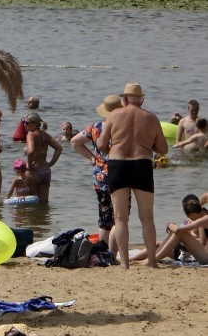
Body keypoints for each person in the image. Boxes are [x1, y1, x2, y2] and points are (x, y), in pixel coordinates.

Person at [98, 83, 169, 268]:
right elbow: (163, 149)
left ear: (124, 99)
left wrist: (112, 149)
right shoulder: (151, 118)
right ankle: (152, 261)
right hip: (142, 164)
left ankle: (125, 264)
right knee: (147, 218)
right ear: (142, 99)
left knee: (120, 218)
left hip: (118, 164)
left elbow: (101, 143)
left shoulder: (114, 115)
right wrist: (147, 144)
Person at [71, 95, 123, 249]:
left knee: (104, 217)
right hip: (119, 174)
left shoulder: (95, 127)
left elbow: (75, 142)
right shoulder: (123, 127)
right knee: (120, 217)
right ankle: (113, 253)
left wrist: (92, 158)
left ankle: (102, 250)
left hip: (100, 176)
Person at [129, 198, 208, 265]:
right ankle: (151, 259)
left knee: (180, 232)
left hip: (205, 257)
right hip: (203, 254)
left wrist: (170, 224)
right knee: (176, 234)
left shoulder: (204, 219)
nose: (190, 220)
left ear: (192, 214)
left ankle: (152, 260)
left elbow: (178, 230)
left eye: (190, 217)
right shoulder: (203, 217)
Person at [22, 112, 62, 203]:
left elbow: (31, 151)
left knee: (30, 202)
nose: (24, 125)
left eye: (27, 123)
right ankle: (44, 217)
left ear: (34, 124)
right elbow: (59, 148)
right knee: (44, 203)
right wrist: (51, 163)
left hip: (34, 170)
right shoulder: (45, 135)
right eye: (24, 122)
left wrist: (29, 167)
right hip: (46, 170)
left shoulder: (30, 135)